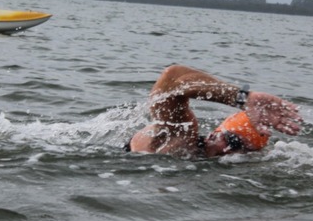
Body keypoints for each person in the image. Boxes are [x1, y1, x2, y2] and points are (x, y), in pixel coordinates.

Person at [126, 64, 303, 158]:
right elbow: (173, 77)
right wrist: (242, 98)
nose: (227, 148)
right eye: (229, 138)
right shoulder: (181, 137)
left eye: (236, 145)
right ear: (213, 134)